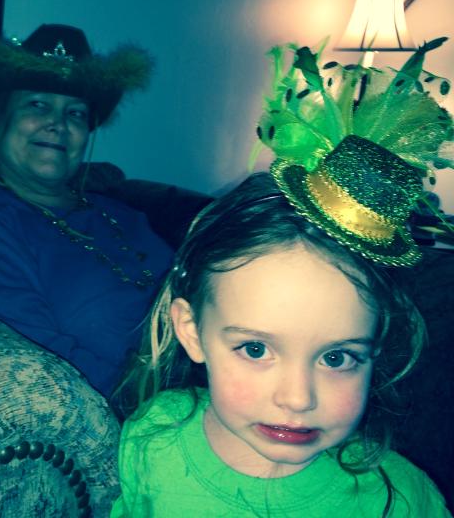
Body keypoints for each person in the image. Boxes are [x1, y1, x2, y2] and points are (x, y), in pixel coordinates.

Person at [111, 40, 453, 516]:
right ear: (191, 331)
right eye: (255, 349)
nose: (297, 399)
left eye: (337, 357)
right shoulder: (153, 436)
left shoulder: (400, 501)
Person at [0, 24, 177, 398]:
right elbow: (37, 359)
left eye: (75, 113)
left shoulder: (125, 215)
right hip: (133, 409)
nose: (58, 124)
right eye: (38, 105)